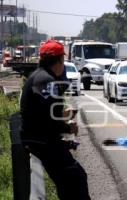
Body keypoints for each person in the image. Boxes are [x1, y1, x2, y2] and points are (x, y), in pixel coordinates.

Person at [20, 40, 91, 200]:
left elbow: (46, 112)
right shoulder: (48, 81)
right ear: (59, 60)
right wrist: (68, 128)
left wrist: (65, 117)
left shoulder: (39, 76)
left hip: (37, 139)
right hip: (42, 141)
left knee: (71, 180)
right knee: (75, 178)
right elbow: (49, 119)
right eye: (63, 61)